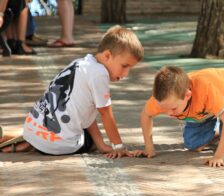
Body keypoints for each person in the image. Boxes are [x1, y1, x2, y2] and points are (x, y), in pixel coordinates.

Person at [0, 25, 144, 158]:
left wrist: (102, 145)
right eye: (124, 66)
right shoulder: (100, 74)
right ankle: (28, 145)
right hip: (57, 144)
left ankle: (24, 140)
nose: (126, 74)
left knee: (79, 128)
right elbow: (106, 113)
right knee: (89, 141)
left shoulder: (80, 64)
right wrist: (117, 146)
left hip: (33, 128)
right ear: (107, 55)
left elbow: (86, 113)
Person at [133, 66, 224, 167]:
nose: (169, 113)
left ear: (187, 95)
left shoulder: (205, 90)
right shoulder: (164, 99)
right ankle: (219, 129)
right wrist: (149, 147)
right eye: (164, 109)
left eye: (173, 108)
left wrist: (218, 156)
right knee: (193, 145)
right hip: (205, 109)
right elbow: (146, 115)